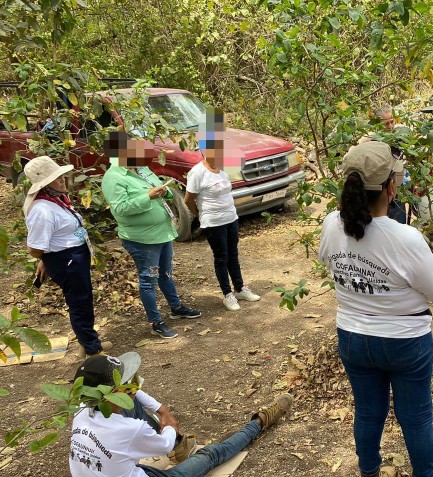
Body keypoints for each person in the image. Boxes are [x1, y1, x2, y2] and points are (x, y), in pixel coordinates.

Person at [318, 141, 433, 477]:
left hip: (354, 336)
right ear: (391, 188)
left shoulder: (330, 224)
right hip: (405, 341)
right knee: (416, 415)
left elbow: (330, 262)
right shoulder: (405, 238)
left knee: (368, 410)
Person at [69, 352, 292, 477]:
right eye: (125, 386)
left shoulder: (81, 410)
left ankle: (182, 449)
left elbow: (134, 394)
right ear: (112, 392)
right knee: (210, 455)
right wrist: (169, 425)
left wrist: (161, 409)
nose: (132, 389)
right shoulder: (129, 429)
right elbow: (164, 444)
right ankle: (259, 422)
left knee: (134, 410)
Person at [101, 132, 201, 339]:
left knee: (166, 274)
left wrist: (167, 192)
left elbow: (163, 190)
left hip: (162, 233)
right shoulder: (114, 177)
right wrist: (148, 196)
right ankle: (156, 321)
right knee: (149, 279)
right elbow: (120, 209)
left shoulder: (141, 169)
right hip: (142, 239)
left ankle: (176, 308)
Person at [23, 156, 111, 356]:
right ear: (44, 185)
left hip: (74, 255)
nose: (63, 179)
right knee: (79, 302)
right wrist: (46, 259)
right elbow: (35, 247)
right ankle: (92, 350)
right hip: (66, 259)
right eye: (57, 178)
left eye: (61, 175)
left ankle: (87, 341)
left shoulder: (56, 199)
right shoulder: (42, 210)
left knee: (84, 299)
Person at [184, 121, 261, 312]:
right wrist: (201, 215)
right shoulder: (197, 173)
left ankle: (240, 288)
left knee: (233, 255)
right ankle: (227, 294)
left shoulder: (222, 169)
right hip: (213, 222)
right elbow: (188, 200)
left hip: (230, 218)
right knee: (221, 258)